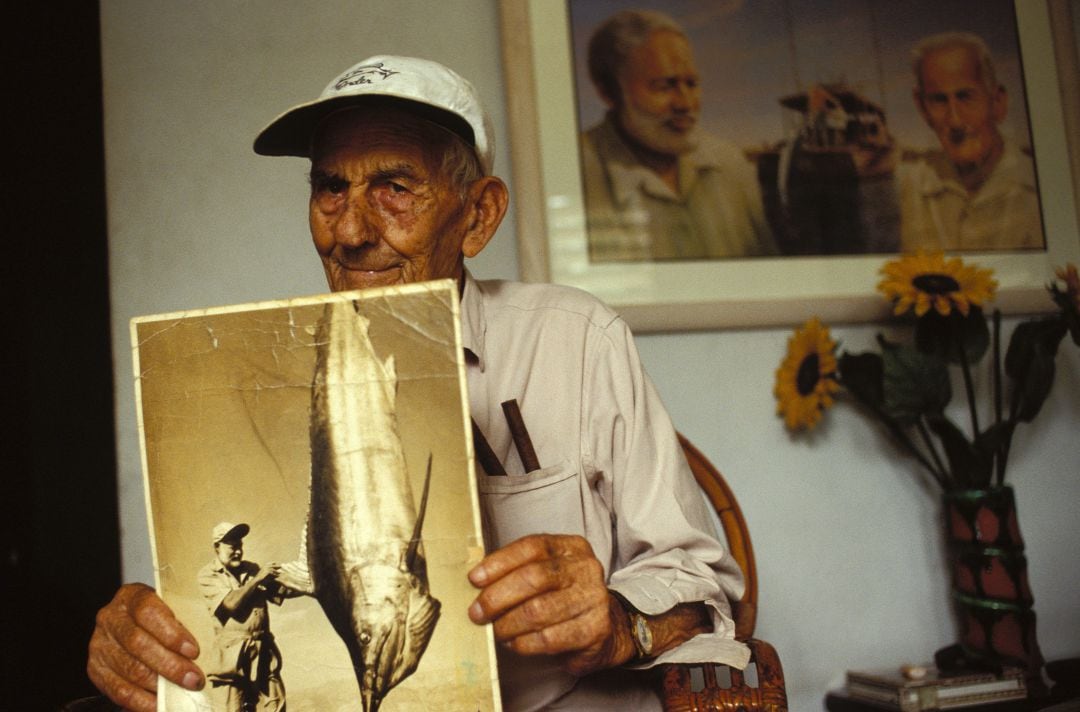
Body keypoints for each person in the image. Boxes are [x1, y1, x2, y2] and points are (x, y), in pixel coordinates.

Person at [87, 55, 748, 712]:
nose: (349, 231)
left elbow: (706, 587)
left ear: (479, 216)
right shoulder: (258, 373)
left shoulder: (573, 341)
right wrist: (144, 638)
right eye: (330, 188)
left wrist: (620, 621)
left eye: (395, 187)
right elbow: (238, 596)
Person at [580, 9, 777, 262]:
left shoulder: (731, 165)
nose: (685, 103)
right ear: (609, 93)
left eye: (692, 84)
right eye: (663, 86)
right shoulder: (578, 170)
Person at [898, 31, 1044, 252]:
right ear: (922, 108)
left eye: (966, 97)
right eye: (939, 100)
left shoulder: (1039, 189)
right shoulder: (912, 188)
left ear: (997, 102)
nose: (955, 120)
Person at [197, 522, 294, 712]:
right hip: (231, 663)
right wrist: (258, 579)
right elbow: (231, 604)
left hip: (264, 654)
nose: (238, 552)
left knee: (276, 708)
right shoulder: (207, 575)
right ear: (217, 547)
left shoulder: (252, 569)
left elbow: (281, 591)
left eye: (240, 546)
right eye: (232, 547)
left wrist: (317, 582)